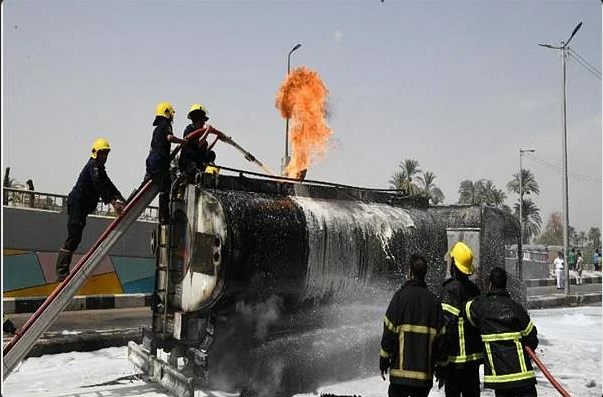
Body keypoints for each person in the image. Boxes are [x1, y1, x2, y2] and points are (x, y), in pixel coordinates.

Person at [55, 138, 125, 281]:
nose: (105, 157)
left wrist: (122, 198)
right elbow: (100, 186)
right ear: (96, 153)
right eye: (103, 154)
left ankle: (62, 271)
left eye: (106, 154)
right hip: (77, 205)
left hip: (82, 207)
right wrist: (113, 202)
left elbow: (108, 184)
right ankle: (61, 272)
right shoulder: (93, 166)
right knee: (73, 237)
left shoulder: (99, 168)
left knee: (76, 237)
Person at [464, 267, 539, 397]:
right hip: (523, 377)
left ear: (490, 284)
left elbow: (466, 307)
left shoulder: (481, 307)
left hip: (501, 380)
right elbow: (532, 339)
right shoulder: (516, 308)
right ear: (506, 284)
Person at [380, 254, 445, 397]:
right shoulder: (434, 302)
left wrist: (384, 359)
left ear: (410, 272)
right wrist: (441, 368)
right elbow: (441, 340)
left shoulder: (400, 297)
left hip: (400, 376)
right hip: (423, 378)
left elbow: (389, 330)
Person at [438, 242, 483, 396]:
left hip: (454, 361)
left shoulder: (449, 290)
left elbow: (445, 328)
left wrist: (441, 361)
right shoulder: (474, 289)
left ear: (453, 265)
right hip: (473, 361)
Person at [145, 102, 187, 224]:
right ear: (167, 113)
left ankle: (129, 202)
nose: (172, 117)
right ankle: (164, 217)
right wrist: (182, 141)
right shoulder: (166, 124)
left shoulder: (157, 129)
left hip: (151, 160)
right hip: (159, 160)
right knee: (165, 188)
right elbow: (169, 138)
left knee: (145, 185)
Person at [178, 103, 221, 180]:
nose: (204, 123)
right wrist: (207, 131)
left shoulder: (201, 133)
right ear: (199, 119)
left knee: (211, 154)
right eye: (203, 120)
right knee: (196, 170)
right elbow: (198, 144)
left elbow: (206, 149)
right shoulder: (189, 130)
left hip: (198, 161)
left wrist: (217, 138)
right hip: (189, 164)